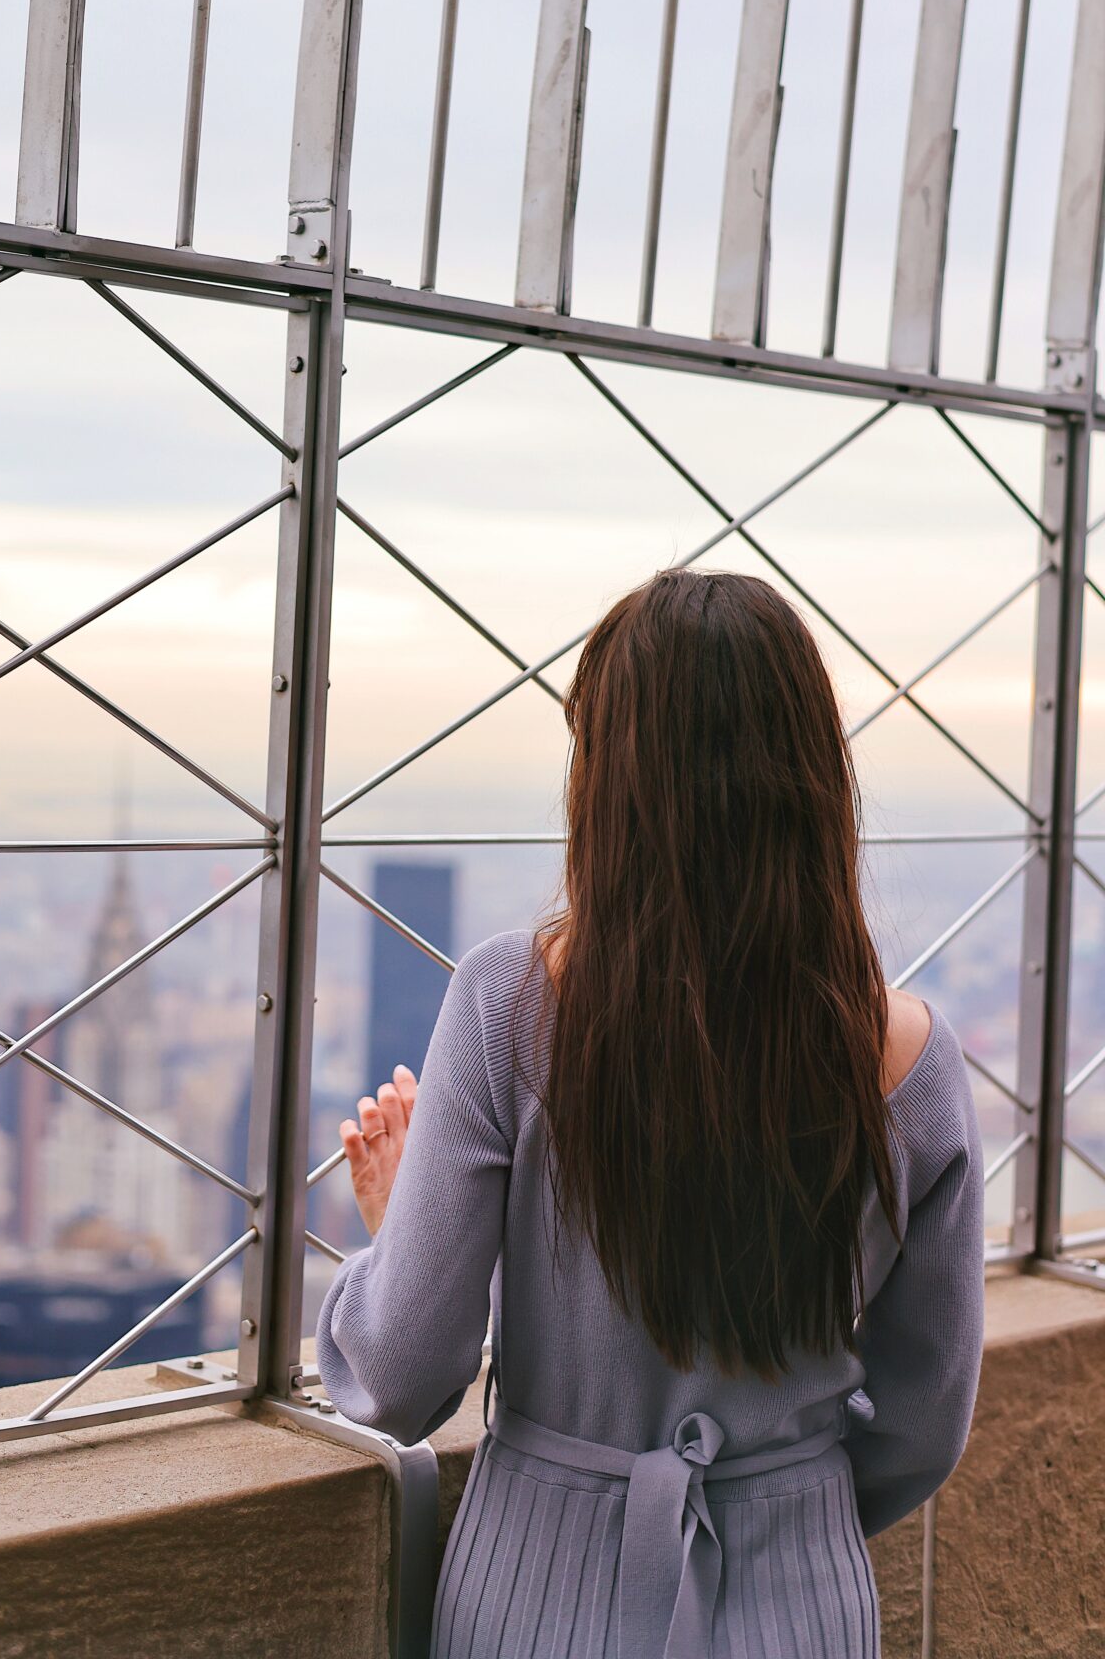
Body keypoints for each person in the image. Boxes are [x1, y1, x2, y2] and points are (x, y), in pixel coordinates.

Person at [316, 570, 984, 1658]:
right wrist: (786, 1502)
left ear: (605, 777)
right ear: (815, 778)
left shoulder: (509, 1003)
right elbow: (923, 1419)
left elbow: (396, 1378)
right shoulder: (912, 1059)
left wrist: (400, 1234)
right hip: (805, 1606)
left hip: (535, 1594)